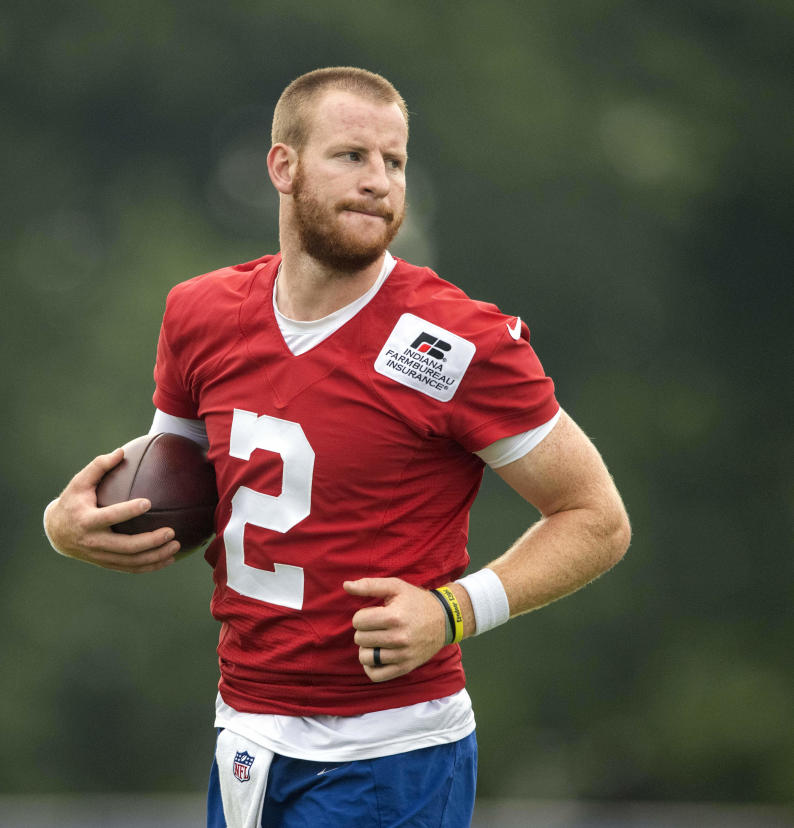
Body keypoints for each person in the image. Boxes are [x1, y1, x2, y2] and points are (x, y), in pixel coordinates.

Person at [43, 66, 630, 827]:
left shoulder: (453, 343)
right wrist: (67, 525)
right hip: (245, 733)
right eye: (351, 156)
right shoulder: (200, 314)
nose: (379, 181)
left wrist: (454, 611)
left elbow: (596, 516)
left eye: (395, 162)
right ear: (283, 168)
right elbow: (185, 484)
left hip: (389, 751)